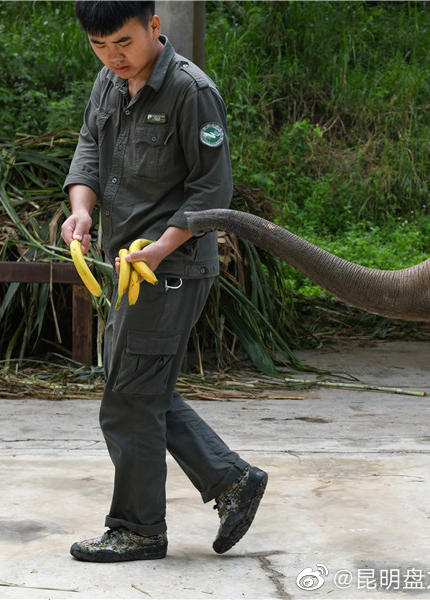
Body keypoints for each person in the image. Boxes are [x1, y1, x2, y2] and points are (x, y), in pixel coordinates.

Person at [61, 0, 266, 562]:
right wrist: (82, 209)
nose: (113, 57)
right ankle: (230, 480)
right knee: (140, 389)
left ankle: (139, 529)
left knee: (128, 397)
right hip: (127, 267)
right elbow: (88, 152)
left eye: (124, 43)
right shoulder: (109, 82)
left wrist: (161, 247)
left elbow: (211, 192)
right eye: (100, 46)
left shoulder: (190, 91)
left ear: (154, 27)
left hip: (169, 269)